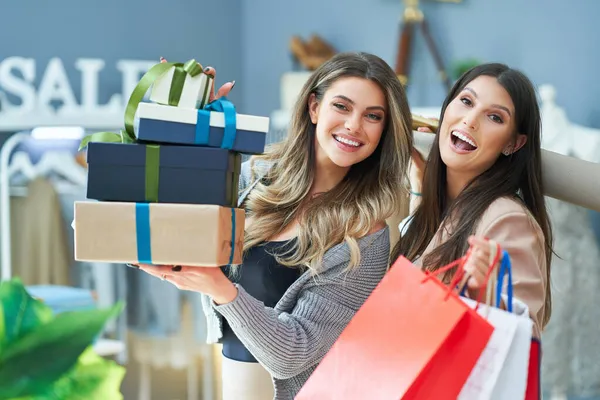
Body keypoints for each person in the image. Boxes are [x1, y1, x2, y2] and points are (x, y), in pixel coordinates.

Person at [137, 51, 414, 400]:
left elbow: (291, 355)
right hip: (233, 386)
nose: (354, 126)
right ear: (314, 107)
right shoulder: (254, 179)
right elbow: (172, 220)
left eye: (372, 116)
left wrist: (219, 287)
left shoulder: (366, 236)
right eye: (342, 107)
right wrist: (192, 132)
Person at [393, 63, 553, 338]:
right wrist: (420, 196)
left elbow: (525, 342)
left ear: (513, 144)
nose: (470, 120)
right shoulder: (440, 203)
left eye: (495, 117)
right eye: (466, 101)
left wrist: (488, 296)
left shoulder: (508, 220)